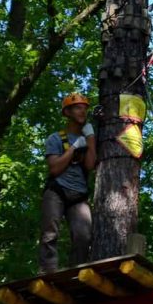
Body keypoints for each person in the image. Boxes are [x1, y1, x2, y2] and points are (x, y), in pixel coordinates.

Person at [39, 92, 96, 273]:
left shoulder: (87, 140)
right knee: (50, 234)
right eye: (78, 108)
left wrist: (91, 139)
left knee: (84, 236)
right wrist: (72, 148)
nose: (83, 112)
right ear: (68, 112)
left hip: (78, 195)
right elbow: (54, 169)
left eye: (85, 109)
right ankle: (48, 273)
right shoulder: (55, 139)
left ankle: (75, 273)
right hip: (57, 191)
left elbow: (89, 165)